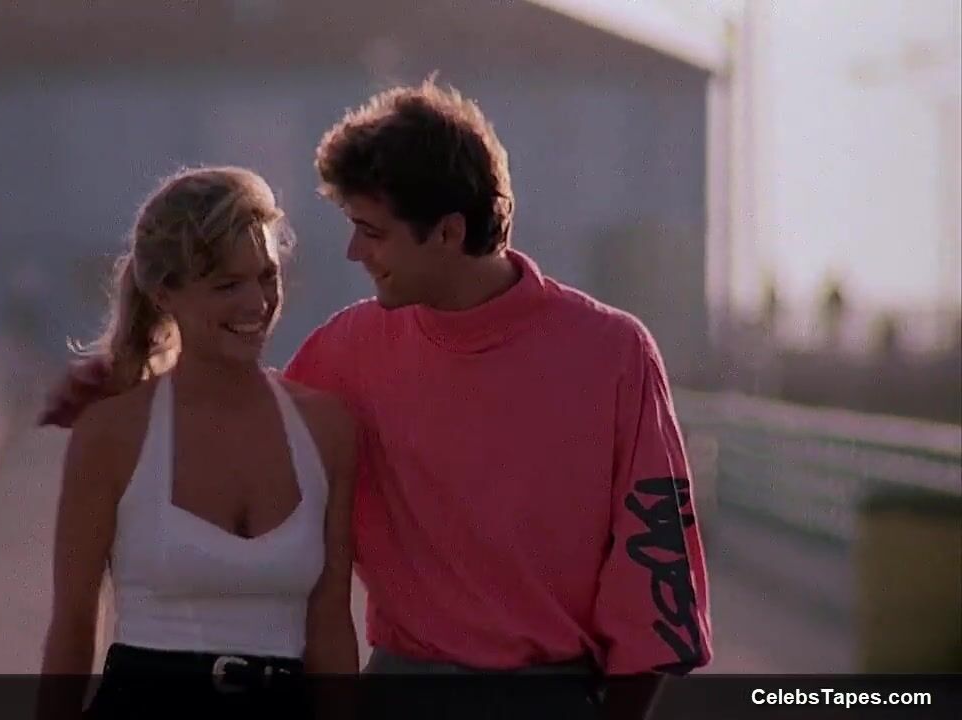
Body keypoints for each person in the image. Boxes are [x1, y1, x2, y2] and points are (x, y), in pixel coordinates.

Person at [42, 80, 713, 719]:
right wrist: (119, 389)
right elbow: (229, 406)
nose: (352, 250)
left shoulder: (614, 353)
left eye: (373, 230)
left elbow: (658, 580)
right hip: (397, 695)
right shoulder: (346, 351)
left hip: (552, 699)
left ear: (447, 233)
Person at [36, 167, 359, 719]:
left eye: (266, 277)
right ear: (166, 293)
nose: (257, 302)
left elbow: (330, 626)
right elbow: (72, 627)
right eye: (227, 285)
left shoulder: (326, 429)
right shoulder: (112, 435)